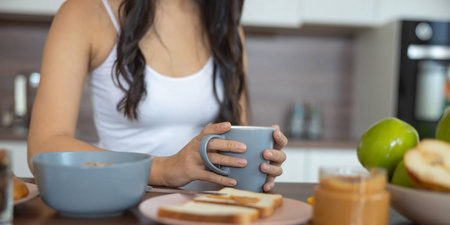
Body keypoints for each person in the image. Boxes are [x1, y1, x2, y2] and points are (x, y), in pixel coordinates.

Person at [27, 0, 287, 192]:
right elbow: (43, 147)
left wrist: (257, 164)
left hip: (208, 224)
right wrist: (163, 169)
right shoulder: (85, 11)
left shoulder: (226, 27)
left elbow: (236, 137)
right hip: (122, 214)